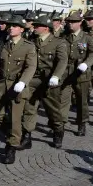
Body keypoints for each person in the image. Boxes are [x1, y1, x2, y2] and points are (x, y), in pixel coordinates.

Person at [0, 15, 36, 164]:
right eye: (10, 26)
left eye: (14, 26)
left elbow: (31, 66)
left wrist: (23, 82)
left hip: (17, 86)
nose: (11, 28)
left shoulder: (28, 46)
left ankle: (11, 147)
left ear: (21, 29)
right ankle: (16, 135)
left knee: (14, 118)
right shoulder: (3, 44)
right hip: (1, 85)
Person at [23, 14, 69, 149]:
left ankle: (58, 131)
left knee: (53, 109)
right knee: (29, 107)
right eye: (34, 25)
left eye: (37, 26)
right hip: (34, 79)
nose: (34, 27)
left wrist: (56, 76)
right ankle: (27, 135)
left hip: (49, 80)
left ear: (46, 28)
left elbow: (62, 61)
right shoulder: (31, 40)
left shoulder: (58, 42)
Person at [61, 10, 93, 138]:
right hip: (66, 73)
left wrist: (86, 64)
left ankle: (82, 123)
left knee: (82, 101)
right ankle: (60, 125)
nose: (70, 24)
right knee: (63, 100)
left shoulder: (87, 38)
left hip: (81, 74)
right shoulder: (64, 37)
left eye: (73, 22)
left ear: (80, 23)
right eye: (69, 22)